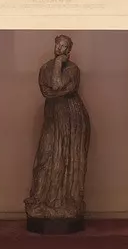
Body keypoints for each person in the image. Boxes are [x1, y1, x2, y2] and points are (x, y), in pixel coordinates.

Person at [24, 34, 90, 233]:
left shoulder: (73, 70)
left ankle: (65, 201)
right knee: (46, 156)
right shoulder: (45, 68)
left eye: (64, 47)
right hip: (54, 116)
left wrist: (59, 65)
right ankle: (43, 200)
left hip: (72, 119)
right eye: (58, 45)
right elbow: (49, 91)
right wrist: (56, 70)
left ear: (69, 50)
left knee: (67, 157)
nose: (60, 49)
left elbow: (58, 86)